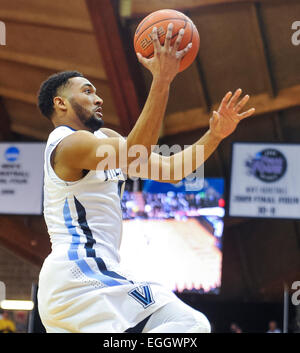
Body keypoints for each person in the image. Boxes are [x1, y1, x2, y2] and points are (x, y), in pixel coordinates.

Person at [37, 23, 255, 333]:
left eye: (96, 91)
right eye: (87, 91)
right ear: (60, 103)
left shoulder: (103, 139)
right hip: (81, 274)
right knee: (189, 324)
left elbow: (171, 171)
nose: (98, 98)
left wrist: (215, 135)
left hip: (75, 286)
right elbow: (136, 152)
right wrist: (163, 79)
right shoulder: (67, 143)